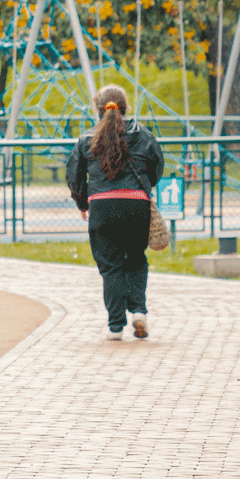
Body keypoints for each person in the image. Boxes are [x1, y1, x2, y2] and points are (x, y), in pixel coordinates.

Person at [66, 84, 164, 341]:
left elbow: (74, 176)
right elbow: (157, 166)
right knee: (135, 259)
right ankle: (139, 311)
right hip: (136, 204)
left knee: (110, 266)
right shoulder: (143, 135)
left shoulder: (87, 139)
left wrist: (83, 203)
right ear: (125, 107)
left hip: (102, 206)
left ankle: (115, 325)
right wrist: (144, 188)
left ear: (98, 110)